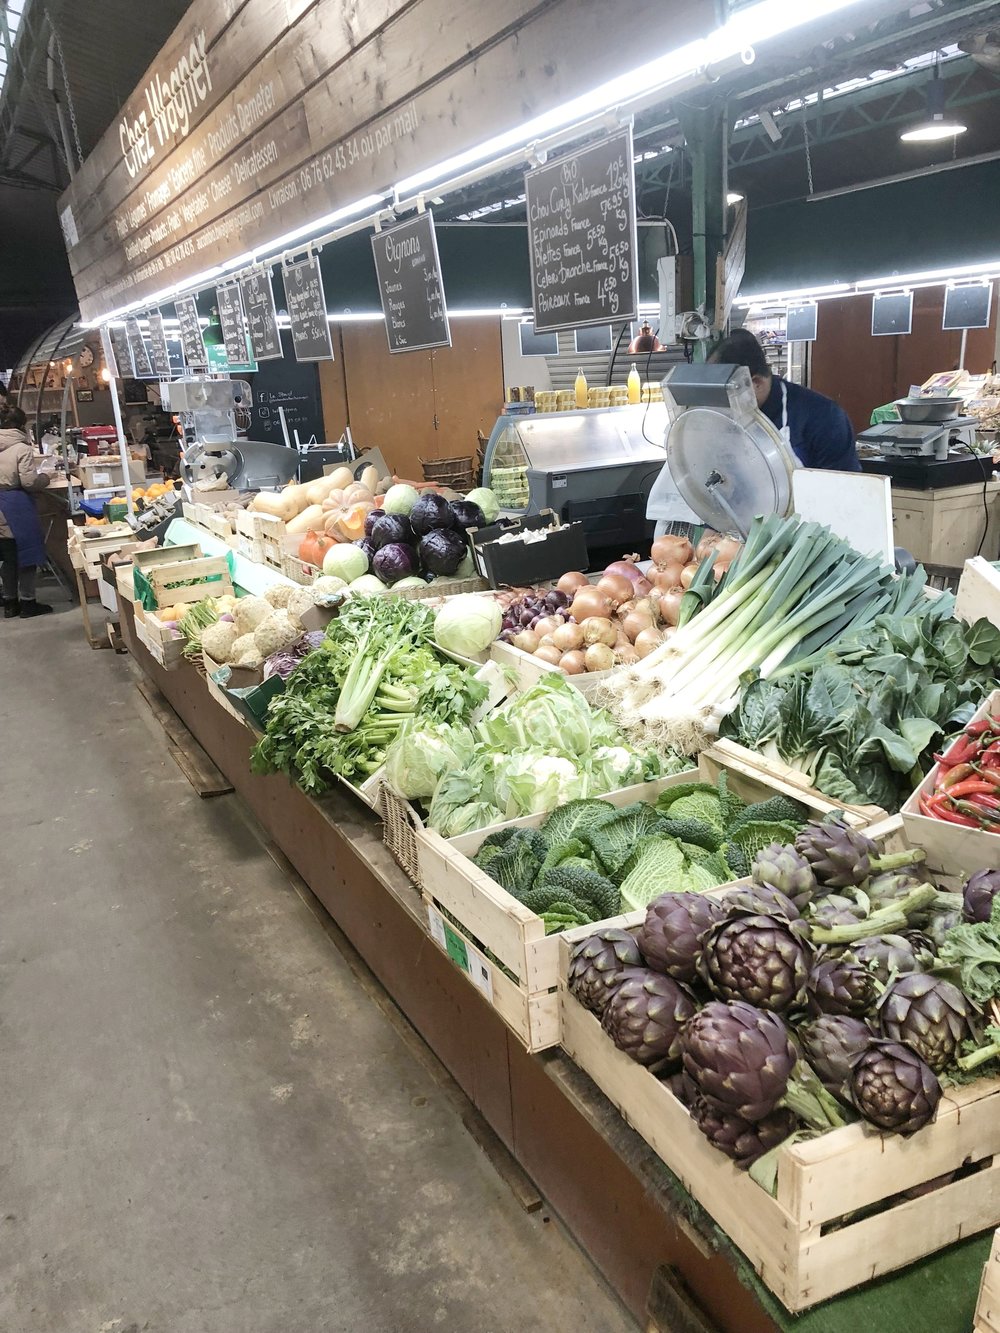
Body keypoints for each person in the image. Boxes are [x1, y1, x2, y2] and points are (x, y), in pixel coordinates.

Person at [708, 328, 860, 472]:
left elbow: (842, 490)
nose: (721, 403)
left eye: (726, 392)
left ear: (755, 383)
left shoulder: (825, 418)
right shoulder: (728, 419)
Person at [0, 404, 52, 618]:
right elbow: (29, 481)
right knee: (27, 554)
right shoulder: (21, 448)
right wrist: (46, 478)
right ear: (22, 425)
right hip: (15, 505)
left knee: (8, 557)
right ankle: (28, 602)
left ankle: (10, 602)